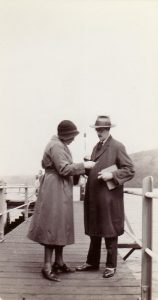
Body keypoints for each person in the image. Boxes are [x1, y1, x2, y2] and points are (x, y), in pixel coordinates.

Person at [27, 120, 95, 281]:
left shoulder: (59, 144)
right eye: (72, 135)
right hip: (54, 188)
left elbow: (65, 167)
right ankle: (47, 266)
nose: (74, 139)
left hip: (60, 187)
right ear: (66, 135)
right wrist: (85, 166)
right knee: (53, 225)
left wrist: (81, 167)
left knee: (61, 225)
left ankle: (58, 261)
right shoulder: (56, 146)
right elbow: (64, 169)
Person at [76, 115, 135, 278]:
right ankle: (92, 262)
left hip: (109, 197)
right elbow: (95, 168)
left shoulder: (117, 146)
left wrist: (112, 175)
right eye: (97, 129)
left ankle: (111, 265)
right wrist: (88, 167)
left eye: (101, 130)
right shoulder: (96, 147)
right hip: (94, 196)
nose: (98, 132)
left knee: (110, 230)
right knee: (94, 230)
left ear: (108, 129)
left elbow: (130, 170)